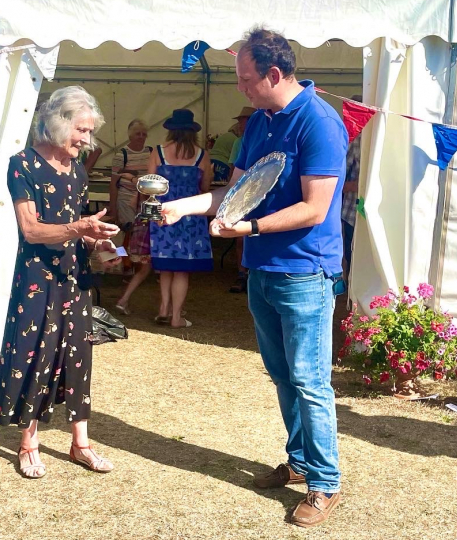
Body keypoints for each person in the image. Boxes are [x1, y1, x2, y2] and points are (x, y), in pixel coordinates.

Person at [159, 28, 347, 527]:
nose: (240, 88)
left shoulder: (320, 123)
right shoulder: (259, 123)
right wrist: (183, 207)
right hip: (263, 269)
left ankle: (324, 483)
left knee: (310, 380)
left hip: (307, 271)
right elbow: (235, 192)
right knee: (284, 375)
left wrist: (251, 227)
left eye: (246, 80)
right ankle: (300, 460)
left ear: (274, 74)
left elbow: (315, 207)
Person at [0, 86, 121, 479]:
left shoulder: (78, 170)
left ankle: (80, 443)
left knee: (78, 355)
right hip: (37, 277)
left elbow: (76, 225)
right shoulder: (22, 165)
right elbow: (31, 230)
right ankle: (28, 443)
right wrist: (78, 227)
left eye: (89, 132)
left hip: (74, 275)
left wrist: (96, 239)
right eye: (81, 130)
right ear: (56, 123)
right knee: (36, 352)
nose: (86, 140)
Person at [149, 109, 213, 328]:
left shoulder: (158, 152)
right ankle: (176, 316)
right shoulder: (202, 155)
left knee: (166, 265)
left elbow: (149, 185)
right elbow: (205, 188)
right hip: (189, 214)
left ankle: (163, 309)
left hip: (163, 211)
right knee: (182, 268)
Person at [112, 120, 154, 313]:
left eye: (144, 133)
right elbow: (114, 181)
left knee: (138, 236)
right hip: (126, 199)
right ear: (130, 135)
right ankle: (125, 264)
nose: (141, 137)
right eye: (138, 133)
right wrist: (113, 207)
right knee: (126, 234)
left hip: (145, 200)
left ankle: (132, 265)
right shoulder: (122, 154)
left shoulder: (151, 151)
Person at [225, 106, 257, 293]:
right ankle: (241, 274)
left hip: (256, 195)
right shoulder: (239, 142)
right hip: (242, 195)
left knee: (253, 234)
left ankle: (251, 273)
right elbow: (233, 170)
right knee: (240, 239)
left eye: (243, 120)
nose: (240, 124)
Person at [341, 96, 362, 274]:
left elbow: (340, 173)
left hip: (355, 208)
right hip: (353, 208)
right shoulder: (353, 139)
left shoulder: (356, 138)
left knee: (355, 253)